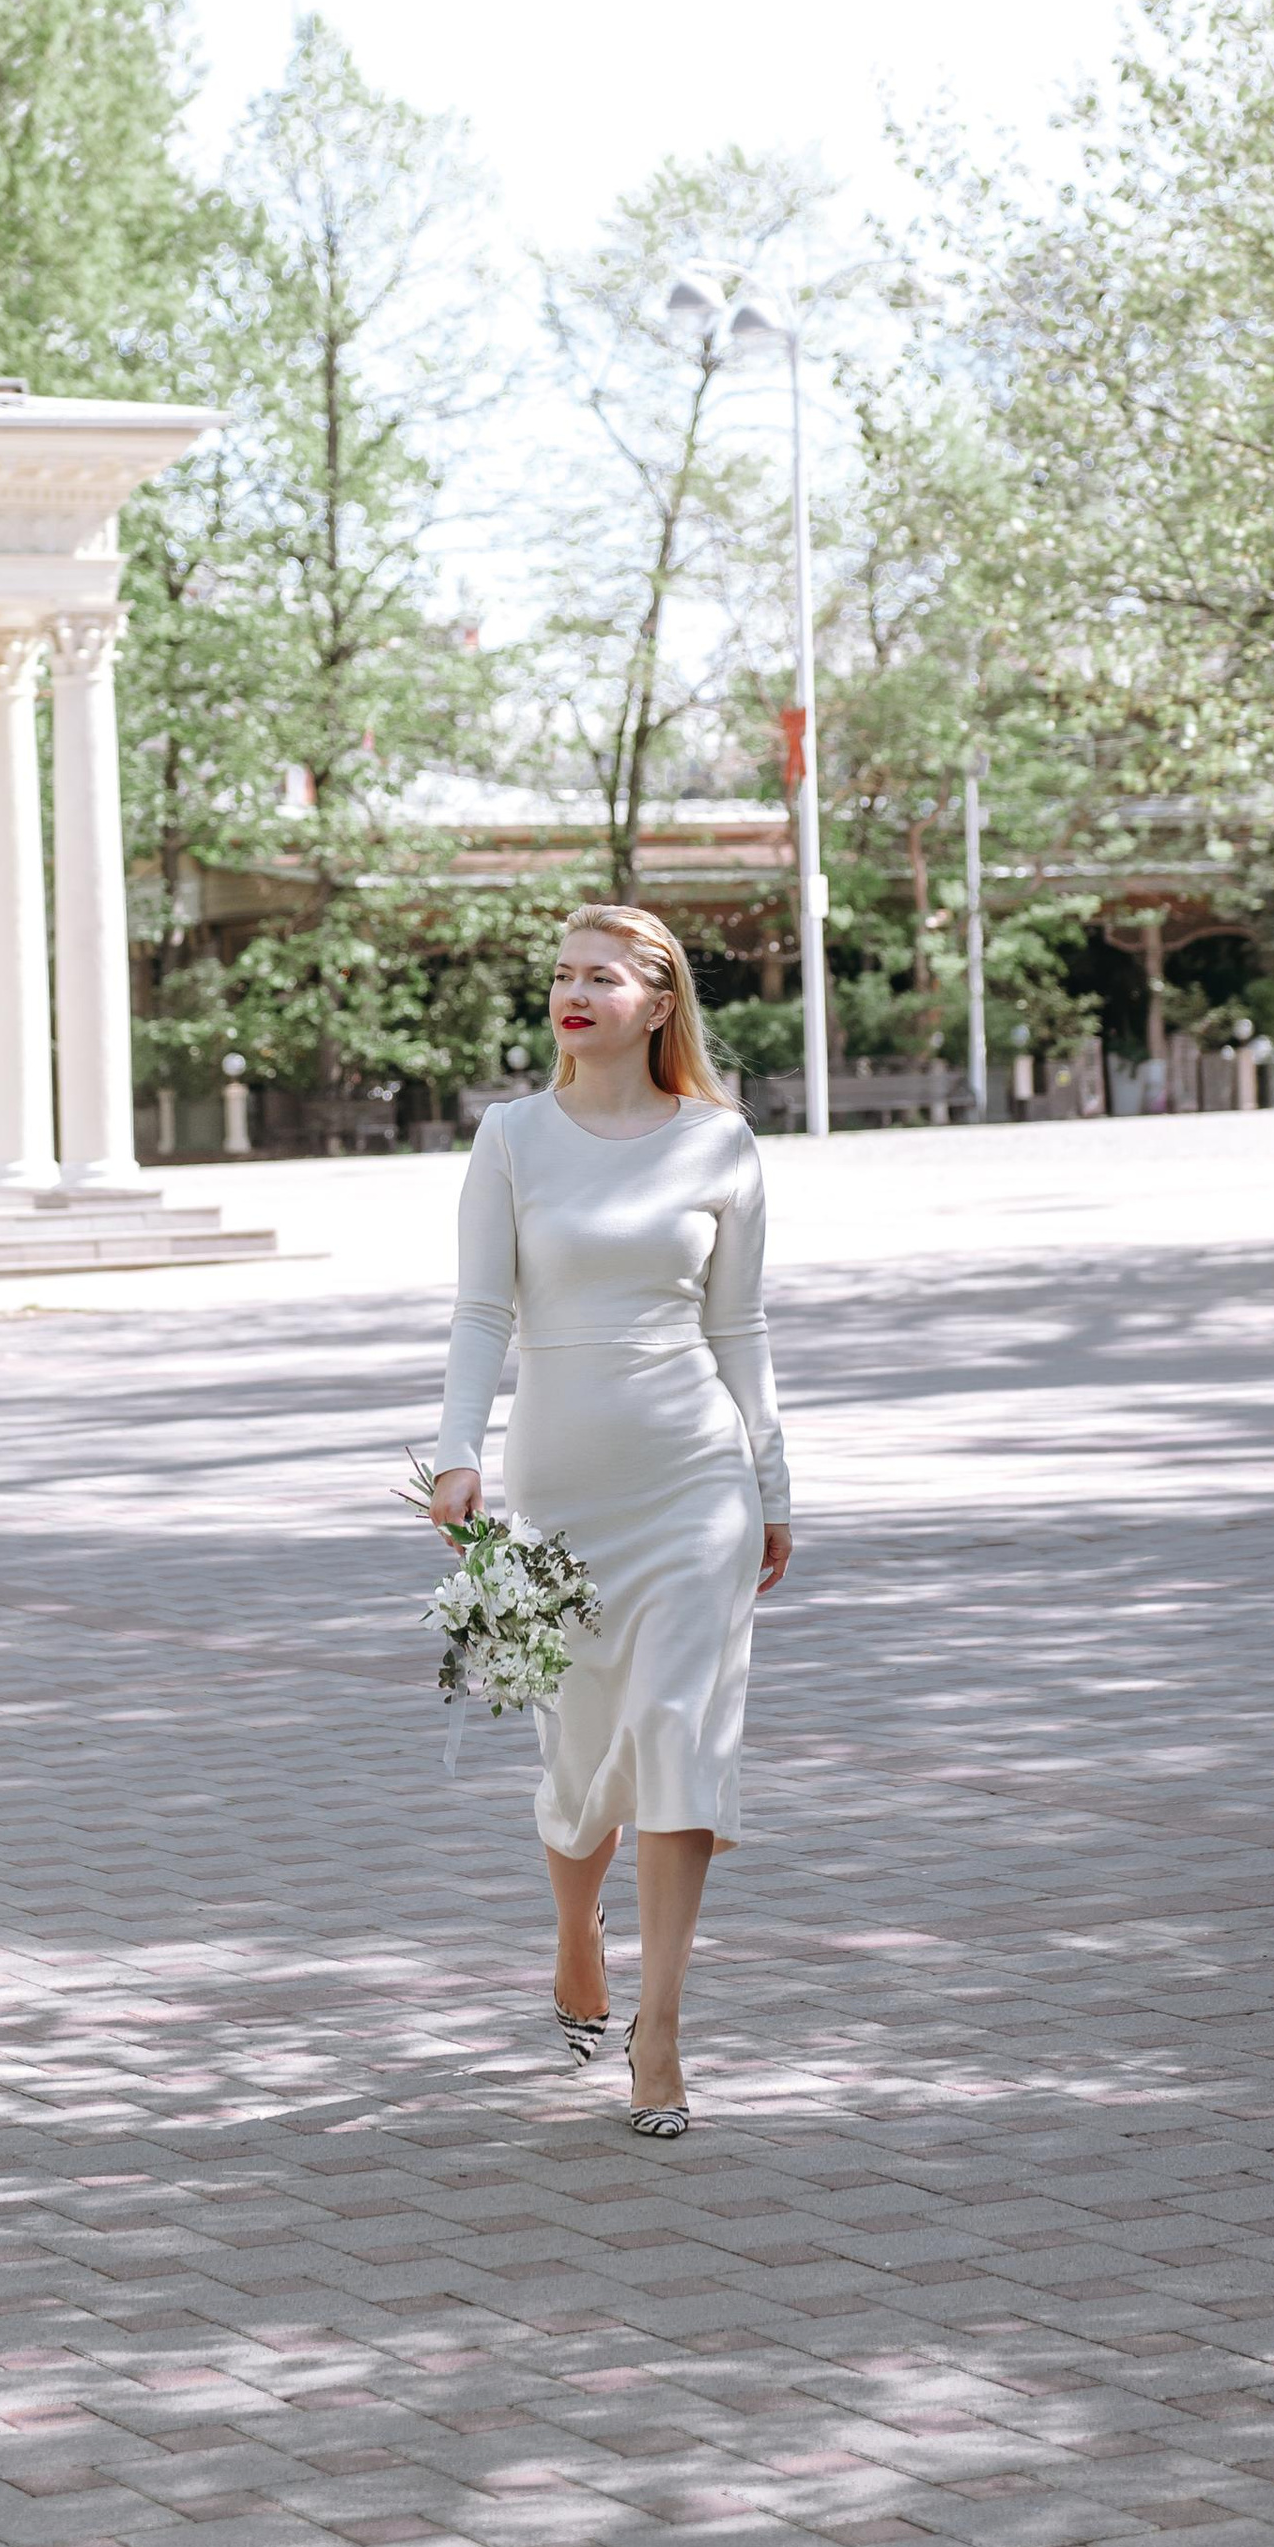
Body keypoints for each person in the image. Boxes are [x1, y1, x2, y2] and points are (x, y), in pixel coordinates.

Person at [424, 903, 793, 2137]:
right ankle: (576, 1928)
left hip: (696, 1480)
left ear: (658, 1001)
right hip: (561, 1487)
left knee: (680, 1732)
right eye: (562, 974)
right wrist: (456, 1454)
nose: (572, 993)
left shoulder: (719, 1143)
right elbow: (482, 1313)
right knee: (581, 1764)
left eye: (602, 977)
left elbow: (738, 1328)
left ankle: (663, 2028)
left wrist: (773, 1487)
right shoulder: (514, 1137)